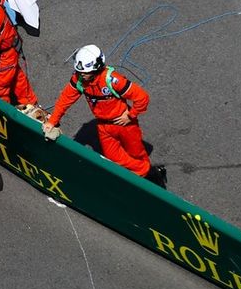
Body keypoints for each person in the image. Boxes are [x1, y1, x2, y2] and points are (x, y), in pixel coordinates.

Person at [43, 46, 167, 187]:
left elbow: (142, 97)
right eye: (79, 71)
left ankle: (155, 183)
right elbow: (65, 99)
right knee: (114, 158)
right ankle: (148, 172)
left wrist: (130, 115)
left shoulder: (112, 80)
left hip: (125, 125)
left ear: (96, 68)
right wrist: (52, 121)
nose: (81, 75)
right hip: (103, 126)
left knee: (137, 154)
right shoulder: (79, 79)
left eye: (85, 72)